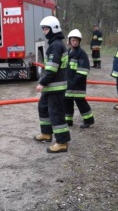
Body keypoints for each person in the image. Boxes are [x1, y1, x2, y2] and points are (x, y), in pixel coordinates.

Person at [34, 15, 70, 153]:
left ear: (53, 29)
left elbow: (52, 69)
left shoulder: (56, 46)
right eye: (43, 29)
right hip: (52, 87)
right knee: (43, 108)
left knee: (56, 113)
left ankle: (62, 142)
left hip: (55, 86)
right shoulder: (55, 44)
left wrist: (42, 83)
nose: (44, 32)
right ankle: (46, 133)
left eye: (46, 29)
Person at [64, 29, 95, 128]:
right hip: (68, 84)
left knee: (80, 102)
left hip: (78, 85)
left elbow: (83, 70)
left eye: (77, 40)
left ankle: (89, 120)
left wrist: (74, 81)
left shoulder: (81, 53)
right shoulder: (68, 52)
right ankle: (68, 121)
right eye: (73, 40)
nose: (75, 42)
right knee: (67, 102)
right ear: (69, 41)